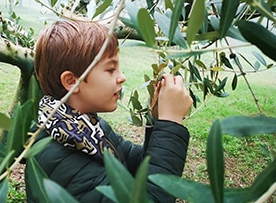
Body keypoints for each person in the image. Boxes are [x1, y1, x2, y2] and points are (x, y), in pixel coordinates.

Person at [25, 20, 193, 202]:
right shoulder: (60, 160)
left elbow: (138, 164)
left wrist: (157, 119)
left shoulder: (86, 129)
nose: (122, 77)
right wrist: (171, 122)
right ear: (73, 81)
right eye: (111, 69)